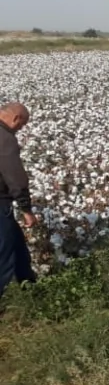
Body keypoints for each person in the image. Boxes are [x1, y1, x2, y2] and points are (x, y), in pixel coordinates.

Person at [0, 101, 36, 297]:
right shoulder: (5, 138)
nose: (20, 130)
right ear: (16, 118)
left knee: (16, 245)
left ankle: (30, 288)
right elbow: (14, 175)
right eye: (21, 125)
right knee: (4, 254)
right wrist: (26, 209)